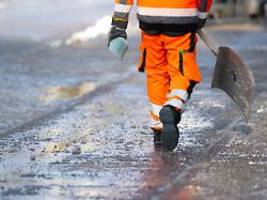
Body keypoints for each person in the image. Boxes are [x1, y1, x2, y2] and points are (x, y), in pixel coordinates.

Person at [108, 0, 213, 151]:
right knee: (182, 71)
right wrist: (201, 17)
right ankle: (172, 107)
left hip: (149, 17)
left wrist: (119, 24)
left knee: (156, 72)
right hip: (181, 16)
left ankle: (158, 129)